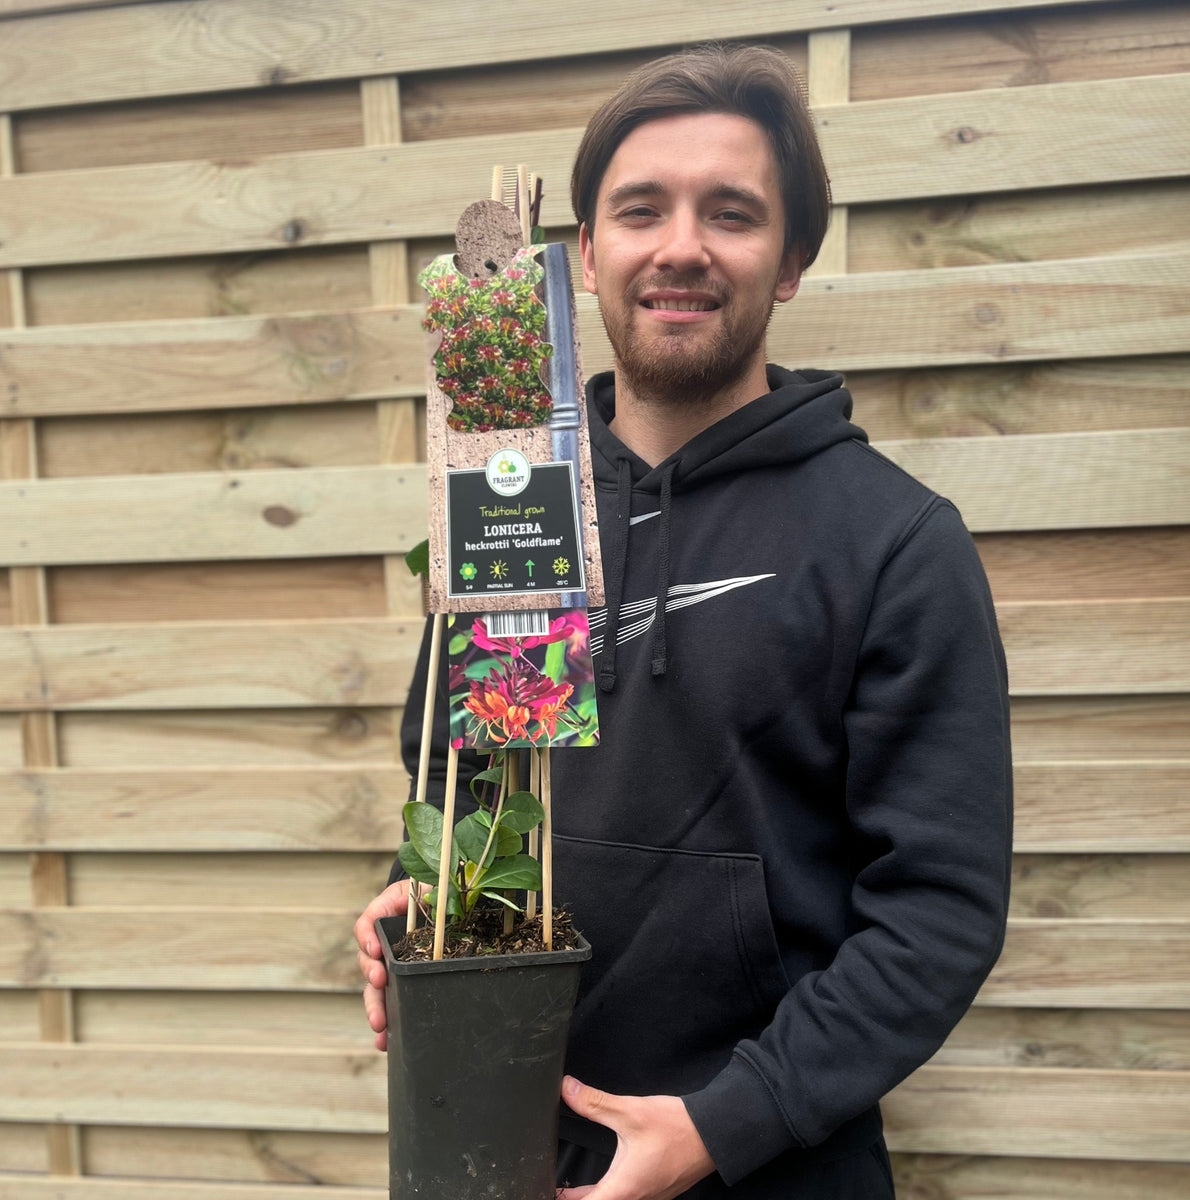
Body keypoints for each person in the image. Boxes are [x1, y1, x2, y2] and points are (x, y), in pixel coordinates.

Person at [354, 43, 1012, 1200]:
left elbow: (939, 912)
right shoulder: (506, 500)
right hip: (504, 1146)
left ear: (793, 258)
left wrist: (722, 1124)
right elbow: (455, 781)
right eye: (642, 209)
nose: (682, 246)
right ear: (590, 251)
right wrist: (429, 913)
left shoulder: (896, 542)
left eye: (733, 213)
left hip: (774, 1166)